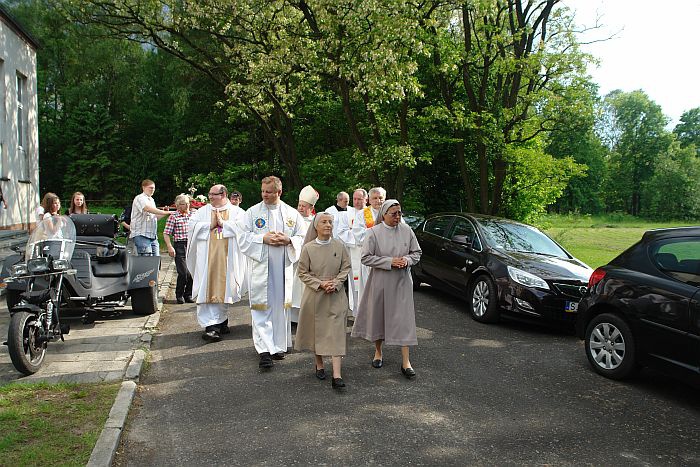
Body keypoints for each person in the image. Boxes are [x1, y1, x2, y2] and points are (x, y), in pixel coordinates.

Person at [236, 176, 307, 369]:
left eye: (269, 192)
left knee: (279, 307)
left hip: (282, 269)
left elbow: (303, 236)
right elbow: (242, 237)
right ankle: (264, 350)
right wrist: (263, 239)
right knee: (261, 308)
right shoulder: (252, 212)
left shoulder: (291, 213)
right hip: (261, 269)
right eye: (263, 191)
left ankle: (278, 346)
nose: (264, 195)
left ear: (279, 192)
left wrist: (289, 241)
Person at [351, 199, 422, 379]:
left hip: (401, 282)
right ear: (383, 215)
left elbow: (417, 253)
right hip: (381, 281)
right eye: (393, 214)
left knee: (404, 319)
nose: (397, 217)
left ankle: (406, 361)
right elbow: (366, 258)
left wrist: (406, 260)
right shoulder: (374, 232)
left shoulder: (407, 230)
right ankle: (378, 352)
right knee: (379, 317)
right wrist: (389, 262)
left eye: (399, 213)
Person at [294, 212, 351, 390]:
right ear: (316, 226)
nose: (328, 225)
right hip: (315, 296)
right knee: (317, 331)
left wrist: (336, 282)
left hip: (335, 294)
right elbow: (302, 272)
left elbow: (346, 267)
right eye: (324, 222)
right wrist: (320, 284)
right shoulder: (308, 248)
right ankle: (319, 364)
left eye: (330, 222)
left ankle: (337, 375)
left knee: (335, 333)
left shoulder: (339, 246)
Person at [186, 184, 247, 342]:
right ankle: (212, 327)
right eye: (209, 194)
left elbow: (244, 229)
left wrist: (224, 224)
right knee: (206, 289)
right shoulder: (202, 211)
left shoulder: (237, 212)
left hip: (228, 259)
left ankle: (221, 322)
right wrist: (209, 225)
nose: (210, 197)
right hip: (206, 260)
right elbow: (191, 226)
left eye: (213, 194)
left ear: (223, 194)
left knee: (224, 291)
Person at [290, 185, 319, 326]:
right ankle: (292, 318)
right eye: (299, 205)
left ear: (311, 207)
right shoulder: (292, 219)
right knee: (293, 289)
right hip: (295, 259)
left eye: (303, 206)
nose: (300, 208)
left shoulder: (316, 221)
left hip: (311, 261)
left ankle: (308, 317)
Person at [352, 187, 384, 307]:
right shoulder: (362, 215)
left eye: (380, 198)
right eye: (375, 198)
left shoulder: (392, 212)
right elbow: (358, 235)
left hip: (387, 258)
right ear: (369, 200)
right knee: (368, 289)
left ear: (384, 198)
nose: (378, 201)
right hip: (370, 258)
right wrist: (378, 230)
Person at [164, 194, 194, 305]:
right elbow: (166, 233)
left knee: (192, 272)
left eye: (187, 203)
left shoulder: (193, 215)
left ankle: (188, 295)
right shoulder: (173, 217)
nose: (186, 206)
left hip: (191, 245)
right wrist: (169, 246)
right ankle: (179, 294)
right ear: (177, 205)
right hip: (180, 245)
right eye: (183, 204)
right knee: (183, 273)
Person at [130, 179, 171, 256]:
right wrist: (166, 212)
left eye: (154, 188)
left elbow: (154, 217)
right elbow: (147, 208)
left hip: (152, 236)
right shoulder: (140, 198)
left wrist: (164, 213)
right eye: (151, 188)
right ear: (143, 187)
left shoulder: (151, 200)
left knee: (156, 260)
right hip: (142, 234)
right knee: (147, 262)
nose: (153, 190)